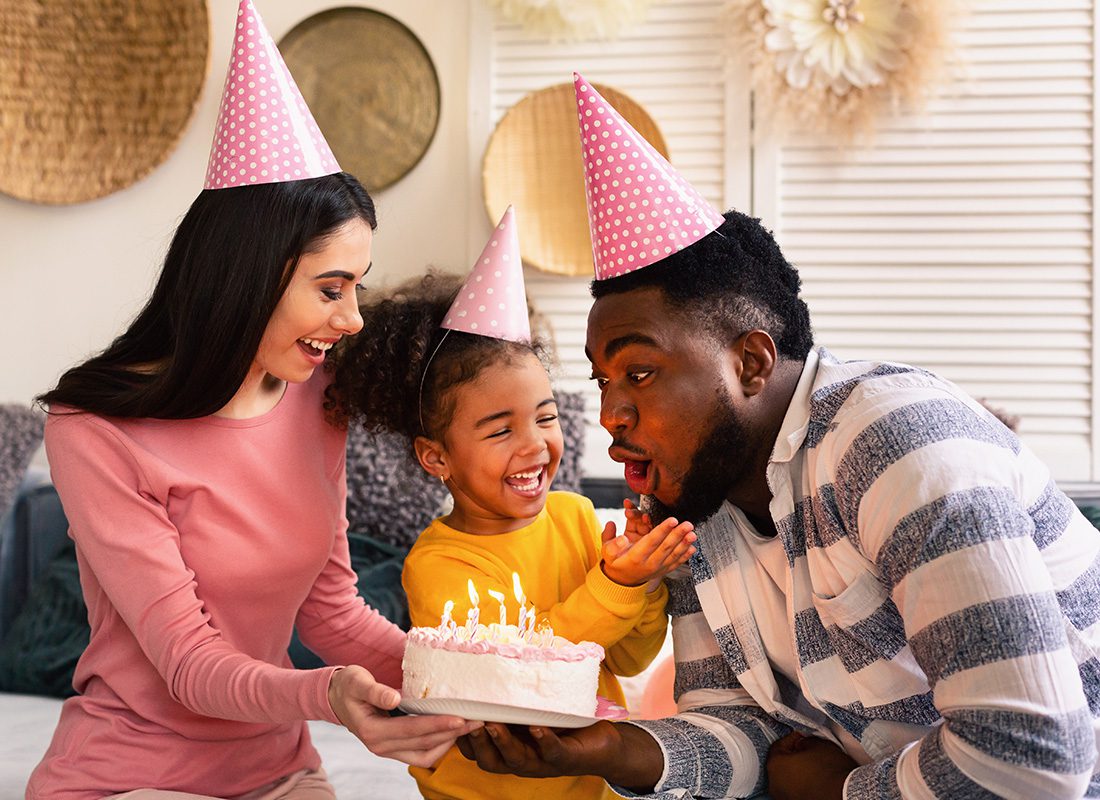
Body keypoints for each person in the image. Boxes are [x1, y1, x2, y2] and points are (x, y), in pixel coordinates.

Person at [455, 75, 1100, 799]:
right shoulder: (699, 505)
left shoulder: (894, 444)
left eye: (639, 371)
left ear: (752, 362)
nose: (610, 414)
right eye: (602, 381)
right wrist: (609, 749)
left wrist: (838, 791)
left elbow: (1033, 760)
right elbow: (737, 728)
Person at [26, 3, 478, 798]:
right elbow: (190, 665)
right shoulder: (95, 431)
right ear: (248, 272)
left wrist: (492, 684)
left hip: (279, 775)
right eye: (331, 289)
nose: (352, 320)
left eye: (359, 289)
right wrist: (329, 694)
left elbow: (332, 616)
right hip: (126, 780)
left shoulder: (318, 397)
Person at [324, 207, 697, 800]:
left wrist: (645, 585)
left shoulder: (575, 516)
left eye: (545, 417)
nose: (534, 445)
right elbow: (523, 673)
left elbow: (627, 661)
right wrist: (615, 586)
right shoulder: (440, 564)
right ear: (435, 456)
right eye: (499, 431)